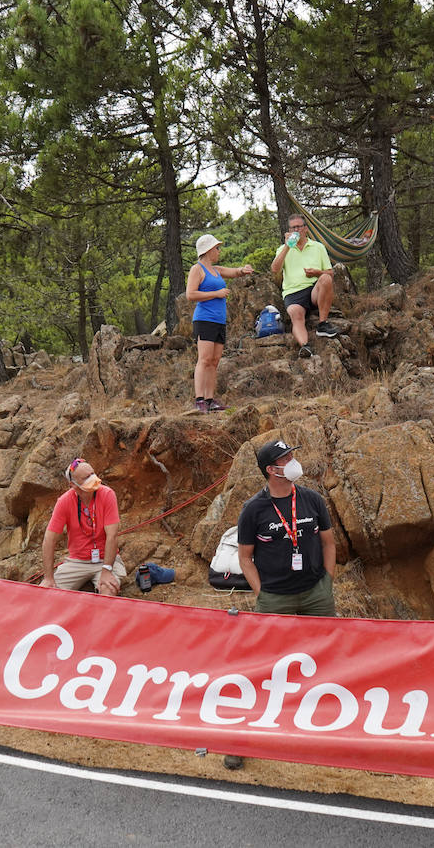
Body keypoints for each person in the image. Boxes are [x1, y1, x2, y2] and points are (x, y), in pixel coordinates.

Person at [236, 439, 337, 617]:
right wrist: (262, 595)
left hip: (316, 593)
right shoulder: (252, 509)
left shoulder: (313, 499)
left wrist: (327, 581)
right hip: (275, 598)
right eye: (285, 458)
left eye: (291, 455)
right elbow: (245, 557)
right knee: (276, 645)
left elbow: (328, 543)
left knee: (324, 642)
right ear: (271, 470)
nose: (293, 461)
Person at [185, 233, 253, 413]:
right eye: (216, 248)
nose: (219, 251)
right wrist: (216, 294)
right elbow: (190, 295)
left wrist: (243, 269)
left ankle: (210, 399)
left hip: (219, 321)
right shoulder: (197, 269)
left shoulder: (216, 270)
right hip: (204, 319)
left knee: (214, 361)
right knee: (204, 359)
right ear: (207, 250)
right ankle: (199, 400)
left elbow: (233, 271)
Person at [39, 458, 125, 596]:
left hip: (105, 560)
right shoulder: (64, 502)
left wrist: (107, 570)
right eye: (86, 477)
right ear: (73, 484)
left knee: (108, 590)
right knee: (49, 593)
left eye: (93, 473)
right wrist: (48, 577)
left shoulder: (107, 494)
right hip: (77, 561)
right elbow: (49, 540)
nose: (93, 479)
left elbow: (112, 536)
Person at [271, 213, 339, 359]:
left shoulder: (318, 247)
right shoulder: (283, 249)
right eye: (293, 227)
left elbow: (330, 273)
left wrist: (317, 273)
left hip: (313, 289)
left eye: (299, 227)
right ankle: (305, 346)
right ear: (288, 230)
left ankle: (322, 324)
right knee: (296, 314)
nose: (297, 230)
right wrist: (287, 247)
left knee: (325, 278)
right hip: (293, 292)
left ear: (306, 229)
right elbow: (275, 269)